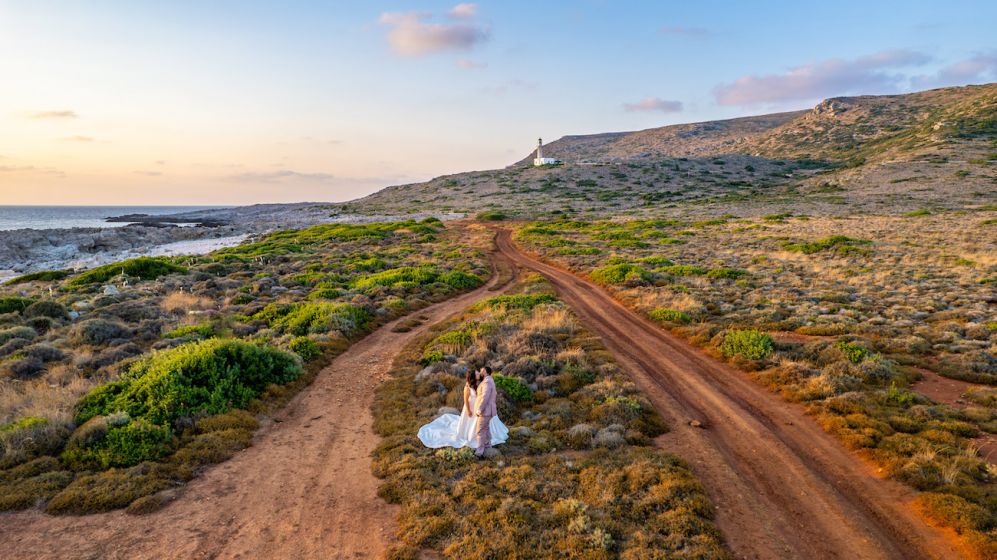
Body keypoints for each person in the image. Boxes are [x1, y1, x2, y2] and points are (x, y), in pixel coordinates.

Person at [416, 366, 507, 449]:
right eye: (476, 373)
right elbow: (465, 399)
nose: (479, 373)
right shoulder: (468, 385)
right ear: (473, 377)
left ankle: (487, 436)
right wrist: (468, 410)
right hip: (471, 406)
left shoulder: (483, 381)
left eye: (478, 372)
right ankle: (474, 437)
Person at [473, 366, 498, 458]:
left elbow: (485, 397)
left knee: (479, 431)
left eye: (481, 370)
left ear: (485, 372)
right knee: (486, 429)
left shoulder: (487, 382)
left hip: (485, 411)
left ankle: (479, 453)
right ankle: (488, 446)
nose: (480, 371)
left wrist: (480, 409)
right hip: (488, 410)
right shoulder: (489, 380)